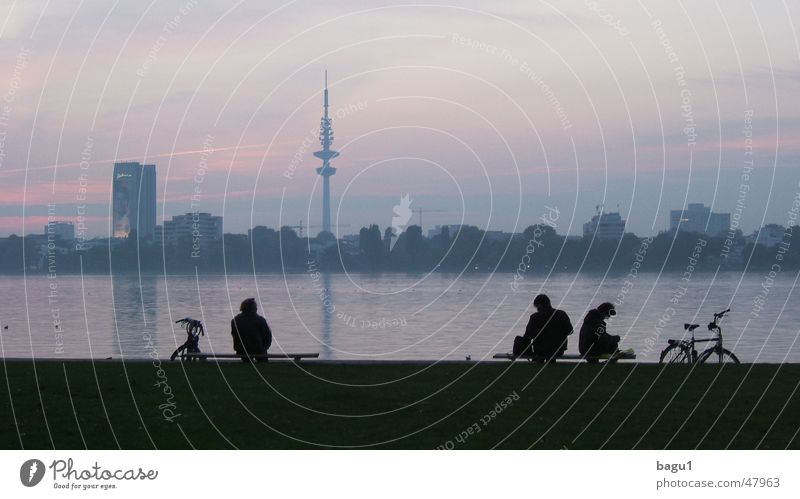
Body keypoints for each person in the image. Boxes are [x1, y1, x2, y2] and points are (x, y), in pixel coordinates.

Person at [521, 294, 573, 361]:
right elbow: (570, 331)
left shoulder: (535, 317)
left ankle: (538, 361)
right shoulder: (561, 314)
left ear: (539, 305)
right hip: (558, 350)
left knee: (541, 348)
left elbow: (527, 335)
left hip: (540, 350)